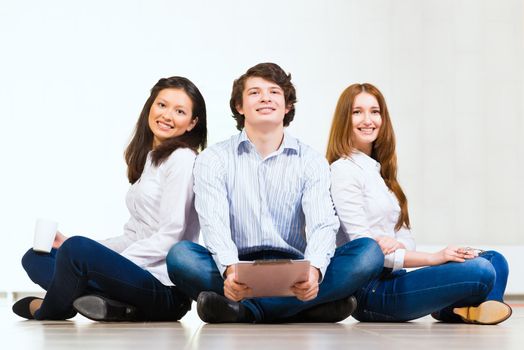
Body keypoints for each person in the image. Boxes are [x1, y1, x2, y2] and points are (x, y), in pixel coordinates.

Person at [166, 63, 384, 324]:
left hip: (294, 269)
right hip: (236, 265)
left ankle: (247, 310)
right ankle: (302, 308)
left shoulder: (311, 160)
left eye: (274, 92)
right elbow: (214, 224)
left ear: (287, 105)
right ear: (239, 106)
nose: (265, 98)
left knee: (369, 253)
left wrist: (314, 273)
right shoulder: (213, 159)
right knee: (180, 256)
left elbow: (323, 224)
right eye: (255, 92)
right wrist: (230, 272)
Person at [12, 76, 207, 322]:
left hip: (163, 289)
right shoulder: (149, 158)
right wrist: (82, 250)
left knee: (77, 251)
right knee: (37, 256)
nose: (167, 115)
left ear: (192, 123)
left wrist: (109, 264)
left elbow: (171, 236)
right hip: (135, 278)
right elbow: (133, 236)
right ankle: (114, 306)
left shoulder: (182, 159)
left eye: (179, 111)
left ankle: (51, 309)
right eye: (162, 105)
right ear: (150, 107)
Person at [326, 82, 511, 324]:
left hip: (396, 277)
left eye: (375, 111)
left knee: (495, 260)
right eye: (357, 111)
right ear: (344, 119)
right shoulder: (342, 171)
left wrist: (395, 244)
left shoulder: (383, 175)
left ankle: (465, 311)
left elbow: (407, 239)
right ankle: (463, 307)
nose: (368, 119)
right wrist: (435, 258)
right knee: (481, 271)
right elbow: (363, 251)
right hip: (370, 292)